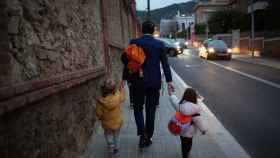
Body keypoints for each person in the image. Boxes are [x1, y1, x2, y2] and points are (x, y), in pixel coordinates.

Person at [121, 20, 174, 149]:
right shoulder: (159, 44)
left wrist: (123, 79)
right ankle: (148, 136)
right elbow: (165, 65)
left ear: (142, 30)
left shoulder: (134, 42)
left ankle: (142, 133)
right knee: (151, 109)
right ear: (153, 30)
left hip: (137, 81)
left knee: (138, 108)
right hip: (154, 82)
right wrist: (169, 81)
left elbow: (128, 62)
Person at [169, 88, 207, 158]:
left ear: (185, 96)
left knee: (183, 144)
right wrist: (203, 130)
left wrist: (171, 95)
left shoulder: (180, 105)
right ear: (194, 97)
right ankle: (187, 154)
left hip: (181, 129)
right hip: (190, 132)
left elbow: (174, 101)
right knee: (189, 144)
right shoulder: (195, 109)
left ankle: (185, 155)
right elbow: (198, 121)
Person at [96, 79, 125, 158]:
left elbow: (98, 113)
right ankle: (116, 149)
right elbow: (123, 98)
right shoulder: (118, 96)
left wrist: (100, 117)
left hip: (107, 124)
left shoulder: (101, 101)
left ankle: (111, 148)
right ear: (114, 89)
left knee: (108, 135)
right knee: (117, 136)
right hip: (117, 122)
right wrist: (122, 89)